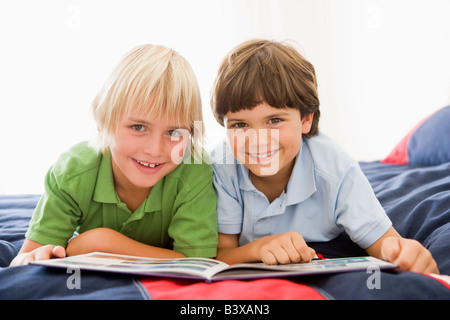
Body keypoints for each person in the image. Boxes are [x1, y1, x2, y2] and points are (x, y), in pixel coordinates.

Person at [210, 39, 438, 274]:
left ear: (306, 119)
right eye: (239, 124)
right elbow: (222, 254)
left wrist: (403, 252)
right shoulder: (221, 167)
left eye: (274, 120)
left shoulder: (337, 170)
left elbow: (383, 243)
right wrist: (259, 249)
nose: (257, 140)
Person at [10, 44, 218, 266]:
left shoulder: (194, 168)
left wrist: (103, 244)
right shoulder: (72, 172)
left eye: (174, 132)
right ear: (102, 121)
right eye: (138, 127)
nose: (155, 150)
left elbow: (199, 263)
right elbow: (25, 260)